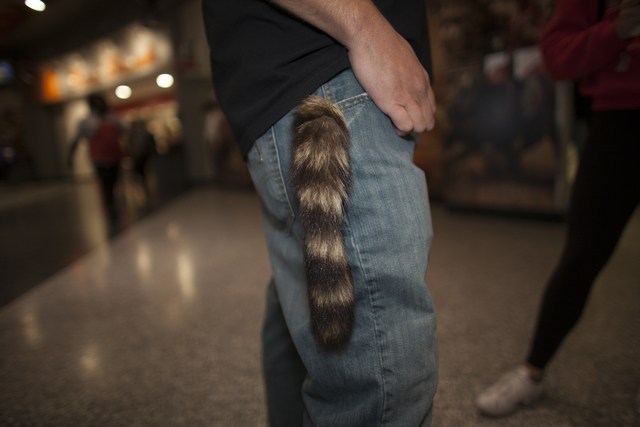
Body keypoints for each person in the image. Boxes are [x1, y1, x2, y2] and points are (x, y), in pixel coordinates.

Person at [202, 0, 439, 425]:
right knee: (382, 388)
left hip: (296, 92)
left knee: (302, 307)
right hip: (331, 87)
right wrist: (367, 30)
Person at [476, 0, 640, 417]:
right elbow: (557, 55)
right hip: (619, 123)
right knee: (581, 257)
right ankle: (532, 372)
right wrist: (615, 31)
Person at [68, 94, 125, 221]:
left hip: (115, 156)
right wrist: (70, 158)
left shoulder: (113, 117)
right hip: (100, 158)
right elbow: (76, 140)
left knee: (114, 181)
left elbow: (122, 134)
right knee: (105, 184)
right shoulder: (87, 121)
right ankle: (109, 206)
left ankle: (113, 203)